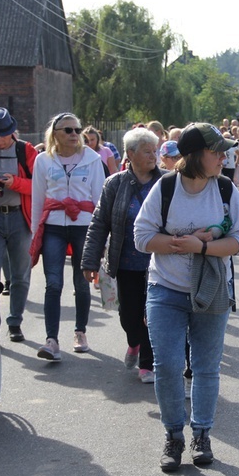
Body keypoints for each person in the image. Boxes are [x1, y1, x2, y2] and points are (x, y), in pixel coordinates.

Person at [134, 122, 239, 471]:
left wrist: (201, 246)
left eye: (223, 151)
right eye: (216, 151)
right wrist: (177, 244)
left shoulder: (227, 189)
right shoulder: (166, 188)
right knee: (168, 366)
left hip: (212, 292)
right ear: (195, 155)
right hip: (165, 290)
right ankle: (174, 436)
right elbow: (142, 237)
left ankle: (201, 434)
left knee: (205, 367)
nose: (223, 156)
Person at [82, 127, 163, 383]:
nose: (153, 156)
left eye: (155, 150)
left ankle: (147, 365)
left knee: (153, 314)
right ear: (131, 153)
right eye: (147, 151)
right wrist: (90, 260)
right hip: (126, 263)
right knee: (129, 315)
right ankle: (134, 343)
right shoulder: (114, 184)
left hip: (159, 264)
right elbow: (99, 224)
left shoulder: (166, 183)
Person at [30, 113, 104, 361]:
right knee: (53, 283)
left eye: (77, 129)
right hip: (53, 225)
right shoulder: (43, 161)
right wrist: (34, 233)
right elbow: (37, 199)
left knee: (82, 282)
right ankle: (51, 340)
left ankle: (80, 332)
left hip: (84, 225)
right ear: (55, 134)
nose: (75, 134)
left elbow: (100, 200)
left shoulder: (92, 160)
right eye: (68, 130)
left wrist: (103, 237)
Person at [0, 108, 37, 342]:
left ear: (12, 131)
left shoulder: (25, 150)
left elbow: (39, 187)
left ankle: (15, 322)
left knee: (20, 274)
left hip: (20, 219)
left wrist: (15, 183)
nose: (1, 139)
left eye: (5, 134)